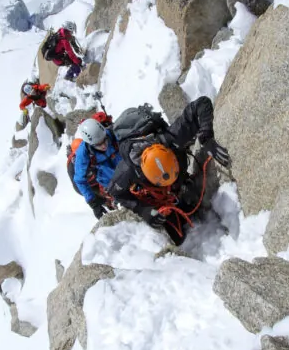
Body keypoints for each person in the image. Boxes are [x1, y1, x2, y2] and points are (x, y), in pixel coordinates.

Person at [107, 96, 230, 245]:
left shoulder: (170, 138)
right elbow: (115, 192)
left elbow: (202, 104)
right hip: (162, 199)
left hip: (178, 184)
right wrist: (143, 210)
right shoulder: (128, 171)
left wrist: (206, 137)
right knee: (175, 234)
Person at [71, 116, 122, 219]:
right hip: (110, 183)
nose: (104, 146)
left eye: (104, 140)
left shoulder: (111, 134)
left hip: (126, 171)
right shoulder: (83, 153)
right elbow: (79, 180)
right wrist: (93, 203)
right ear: (90, 143)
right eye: (98, 145)